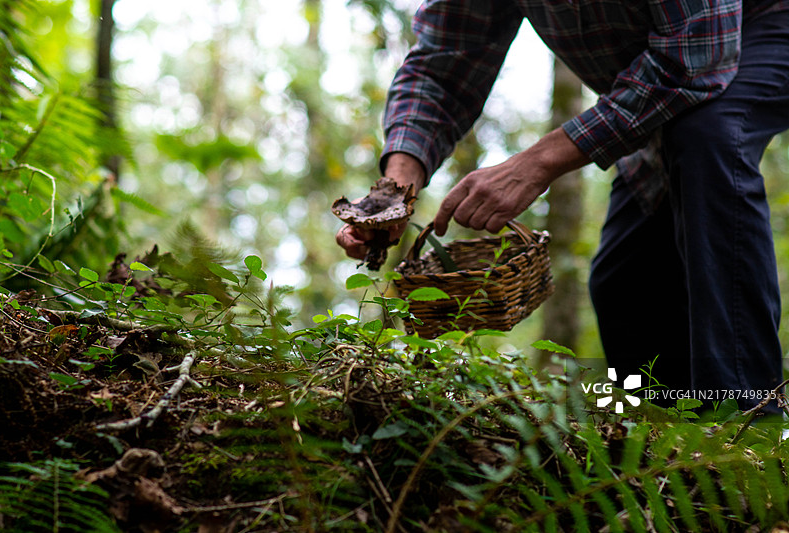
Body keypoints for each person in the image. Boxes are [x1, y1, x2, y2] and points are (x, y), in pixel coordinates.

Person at [336, 0, 789, 411]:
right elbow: (441, 68)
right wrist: (393, 191)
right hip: (663, 98)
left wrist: (537, 163)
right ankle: (675, 461)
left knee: (709, 136)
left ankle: (748, 433)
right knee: (624, 285)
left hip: (758, 30)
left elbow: (696, 57)